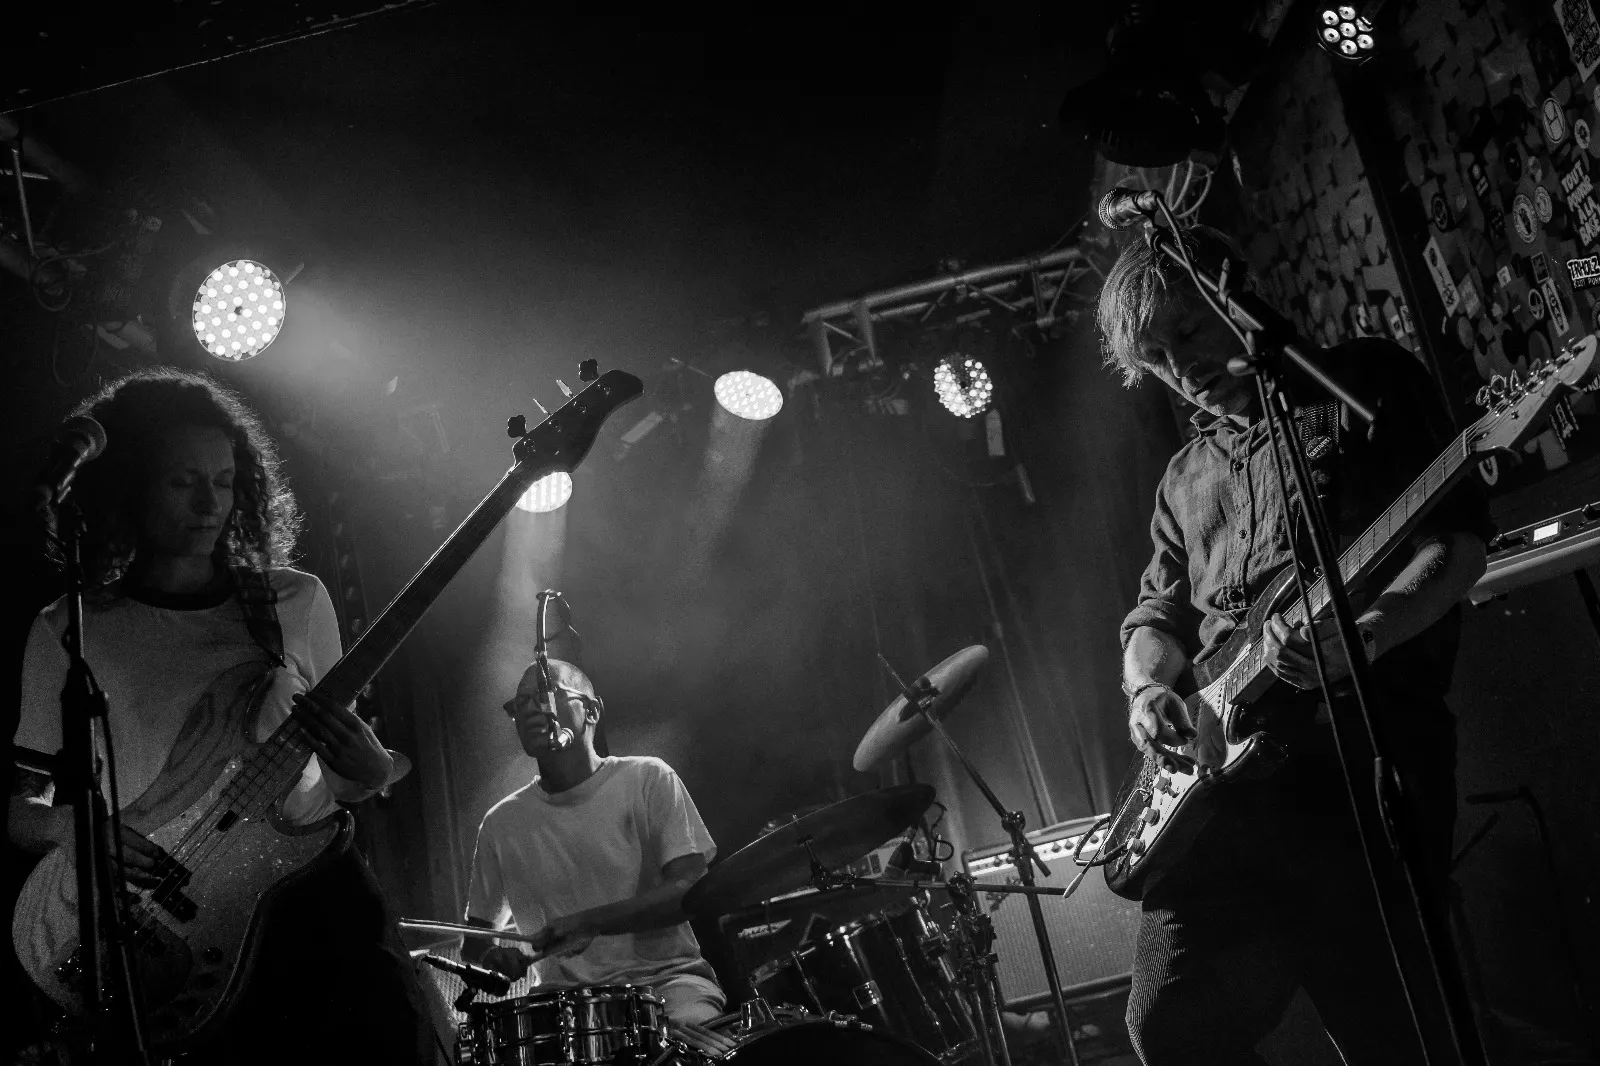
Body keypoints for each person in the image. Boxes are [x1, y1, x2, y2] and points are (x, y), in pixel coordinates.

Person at [1098, 226, 1492, 1064]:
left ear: (1232, 292)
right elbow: (1155, 618)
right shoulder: (1182, 479)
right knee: (1169, 1027)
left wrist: (1368, 636)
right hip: (1224, 796)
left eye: (1188, 331)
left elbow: (1454, 545)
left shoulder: (1361, 387)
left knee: (1393, 1031)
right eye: (1159, 360)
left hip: (1356, 765)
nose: (1183, 367)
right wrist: (1148, 689)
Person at [8, 367, 434, 1064]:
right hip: (173, 929)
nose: (211, 503)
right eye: (183, 482)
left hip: (308, 905)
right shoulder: (68, 626)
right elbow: (22, 806)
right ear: (129, 487)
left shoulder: (293, 602)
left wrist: (371, 770)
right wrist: (78, 832)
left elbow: (343, 777)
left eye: (225, 480)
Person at [461, 658, 725, 1025]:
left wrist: (591, 922)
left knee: (691, 1038)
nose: (530, 709)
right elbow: (474, 939)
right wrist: (491, 958)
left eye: (546, 694)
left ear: (592, 711)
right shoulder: (499, 824)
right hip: (563, 1006)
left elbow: (691, 891)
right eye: (519, 704)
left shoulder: (648, 778)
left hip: (666, 983)